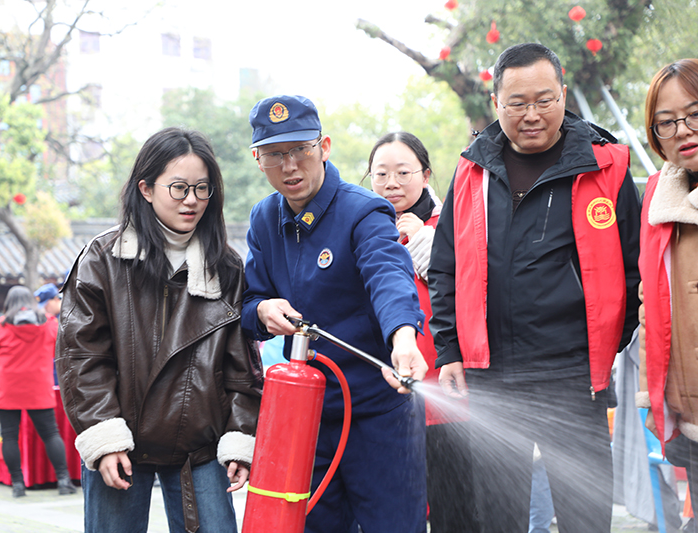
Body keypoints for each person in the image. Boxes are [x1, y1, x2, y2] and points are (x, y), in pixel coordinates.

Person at [428, 43, 641, 532]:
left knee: (586, 518)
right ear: (495, 103)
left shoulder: (605, 166)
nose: (531, 115)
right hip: (493, 377)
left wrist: (606, 340)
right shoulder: (471, 171)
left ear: (563, 95)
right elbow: (445, 267)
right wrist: (450, 349)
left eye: (544, 100)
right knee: (499, 518)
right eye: (517, 103)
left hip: (574, 379)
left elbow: (635, 272)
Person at [56, 127, 262, 533]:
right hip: (120, 439)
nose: (192, 200)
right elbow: (82, 355)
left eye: (202, 189)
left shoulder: (227, 267)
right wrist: (104, 434)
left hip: (200, 448)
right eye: (179, 187)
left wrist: (241, 435)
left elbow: (242, 366)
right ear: (146, 188)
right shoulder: (104, 258)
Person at [242, 95, 428, 532]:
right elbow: (247, 303)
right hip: (304, 418)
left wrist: (403, 337)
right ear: (257, 159)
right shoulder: (264, 219)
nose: (289, 166)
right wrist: (263, 309)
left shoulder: (363, 210)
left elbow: (388, 274)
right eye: (274, 155)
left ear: (323, 147)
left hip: (379, 413)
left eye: (300, 150)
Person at [366, 131, 476, 532]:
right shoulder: (364, 229)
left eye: (402, 172)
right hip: (385, 400)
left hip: (446, 393)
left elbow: (473, 290)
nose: (391, 183)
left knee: (454, 510)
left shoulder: (452, 225)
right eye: (381, 174)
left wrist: (428, 243)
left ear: (426, 174)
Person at [637, 57, 698, 512]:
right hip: (690, 412)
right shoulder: (660, 195)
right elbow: (650, 302)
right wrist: (652, 396)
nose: (682, 130)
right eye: (666, 123)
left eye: (695, 113)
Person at [0, 285, 76, 498]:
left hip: (6, 388)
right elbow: (59, 351)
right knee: (50, 433)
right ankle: (64, 481)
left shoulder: (0, 326)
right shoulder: (49, 324)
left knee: (9, 437)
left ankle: (17, 485)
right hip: (38, 387)